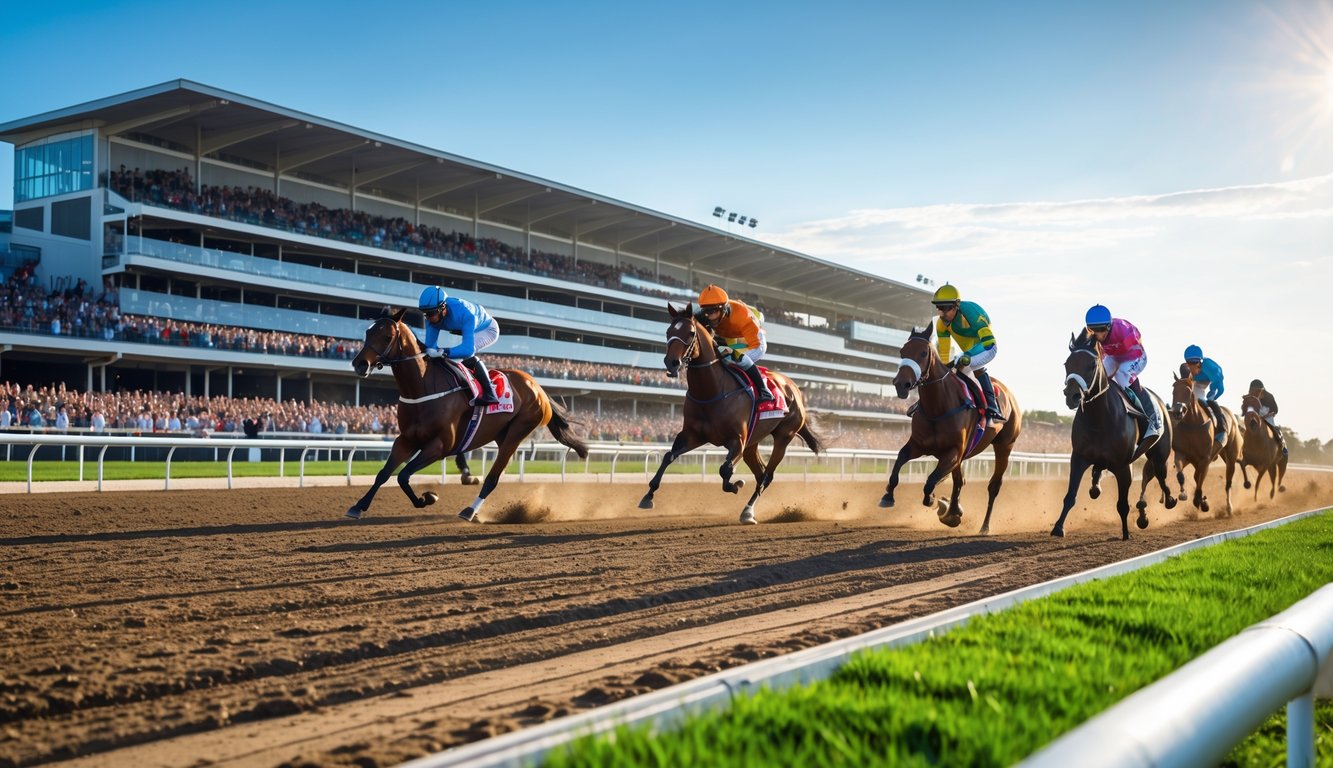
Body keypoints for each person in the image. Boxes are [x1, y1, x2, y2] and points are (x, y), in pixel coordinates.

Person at [1084, 305, 1162, 445]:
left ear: (1108, 326)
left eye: (1101, 330)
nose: (1097, 334)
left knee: (1123, 376)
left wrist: (1116, 366)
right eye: (1092, 330)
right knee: (1099, 378)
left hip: (1135, 355)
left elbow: (1137, 341)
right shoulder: (1094, 336)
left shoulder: (1122, 329)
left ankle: (1152, 416)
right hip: (1115, 356)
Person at [932, 284, 1003, 421]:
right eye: (939, 308)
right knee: (953, 369)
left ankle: (992, 407)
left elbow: (988, 343)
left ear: (956, 305)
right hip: (969, 350)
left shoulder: (971, 314)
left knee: (966, 364)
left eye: (946, 308)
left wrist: (967, 356)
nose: (942, 313)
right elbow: (945, 356)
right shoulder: (941, 324)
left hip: (987, 346)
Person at [418, 286, 500, 405]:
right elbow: (431, 348)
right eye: (425, 314)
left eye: (431, 313)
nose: (429, 318)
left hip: (487, 329)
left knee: (466, 358)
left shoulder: (465, 313)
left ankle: (490, 393)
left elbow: (468, 350)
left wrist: (443, 352)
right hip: (466, 327)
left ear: (443, 308)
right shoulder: (432, 317)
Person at [694, 284, 774, 403]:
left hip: (752, 341)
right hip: (728, 337)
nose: (710, 316)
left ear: (723, 309)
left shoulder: (742, 316)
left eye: (713, 311)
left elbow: (755, 345)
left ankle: (764, 391)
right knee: (720, 357)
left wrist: (735, 355)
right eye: (707, 312)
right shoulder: (703, 314)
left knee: (739, 359)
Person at [1182, 345, 1227, 444]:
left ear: (1200, 363)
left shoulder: (1209, 368)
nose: (1193, 370)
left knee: (1208, 401)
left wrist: (1212, 396)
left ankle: (1222, 428)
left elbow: (1221, 389)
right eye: (1189, 365)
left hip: (1211, 381)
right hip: (1195, 381)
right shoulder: (1186, 368)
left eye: (1196, 366)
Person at [1246, 379, 1288, 456]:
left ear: (1261, 390)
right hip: (1256, 416)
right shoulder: (1251, 397)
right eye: (1252, 391)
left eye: (1255, 391)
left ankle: (1283, 447)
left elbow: (1275, 410)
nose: (1253, 393)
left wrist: (1264, 417)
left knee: (1274, 429)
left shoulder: (1269, 396)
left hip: (1268, 417)